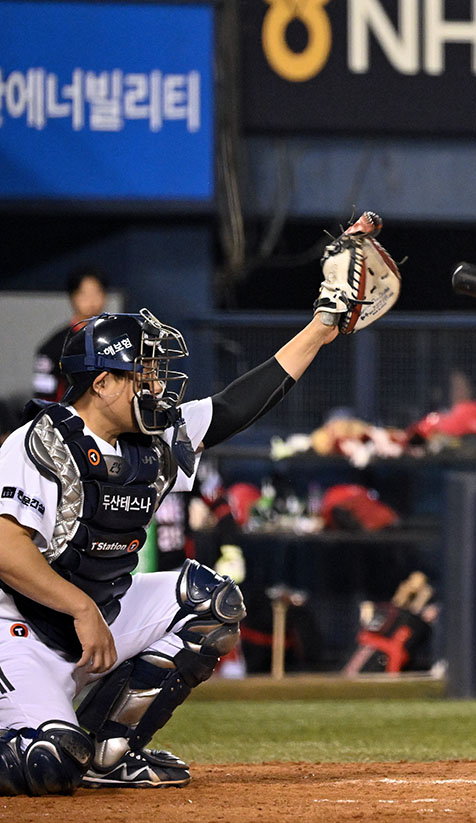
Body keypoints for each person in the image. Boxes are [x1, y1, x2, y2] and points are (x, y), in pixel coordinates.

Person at [0, 220, 392, 796]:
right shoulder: (40, 441)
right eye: (142, 372)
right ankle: (50, 736)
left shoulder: (156, 434)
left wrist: (322, 325)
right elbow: (6, 551)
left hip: (98, 613)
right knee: (46, 765)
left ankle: (109, 752)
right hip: (22, 631)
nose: (156, 384)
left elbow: (239, 403)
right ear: (102, 383)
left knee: (211, 602)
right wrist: (82, 609)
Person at [33, 268, 109, 402]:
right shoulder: (54, 347)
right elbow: (44, 397)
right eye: (84, 294)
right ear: (72, 297)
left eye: (97, 292)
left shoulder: (116, 337)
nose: (92, 300)